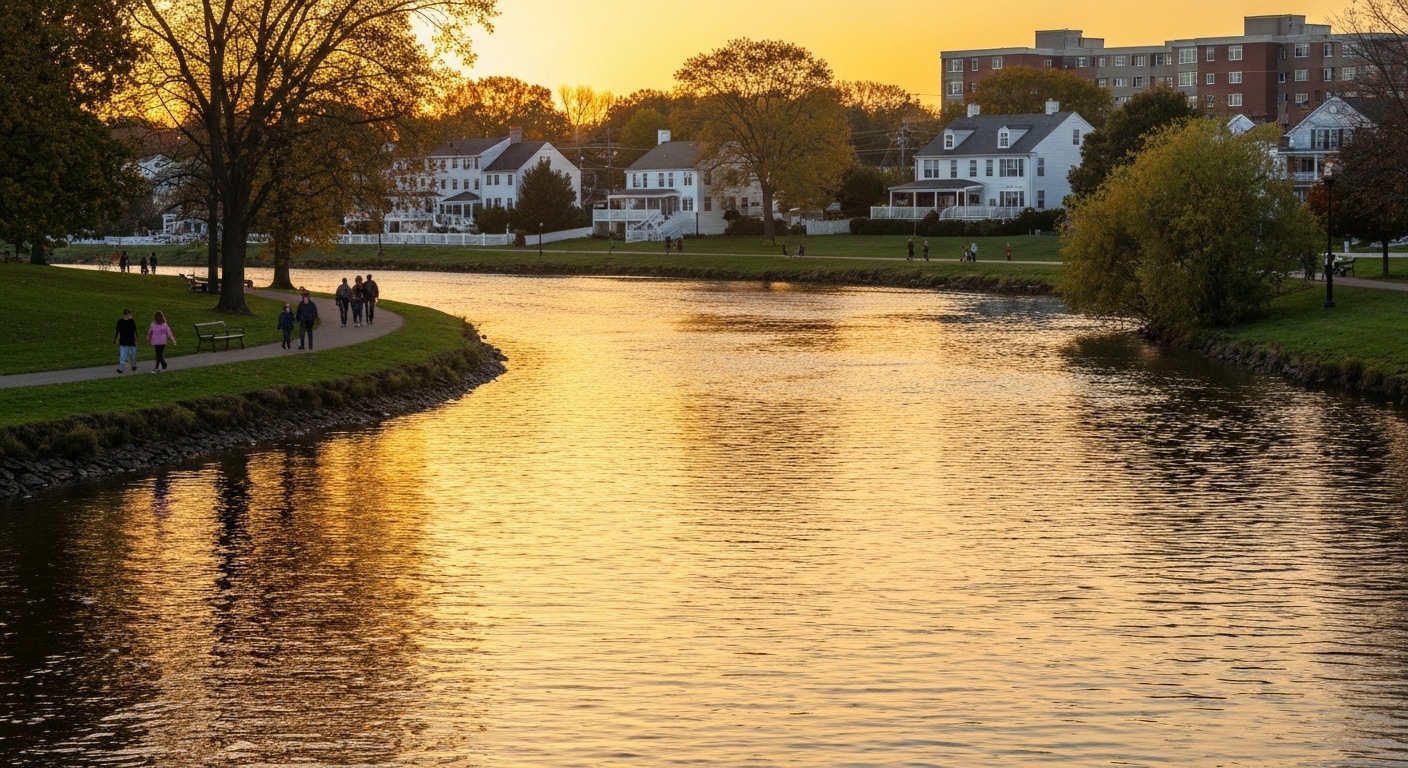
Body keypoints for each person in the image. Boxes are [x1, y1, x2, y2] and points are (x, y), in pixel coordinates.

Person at [114, 309, 138, 373]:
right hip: (127, 341)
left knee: (129, 355)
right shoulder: (129, 321)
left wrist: (116, 339)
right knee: (126, 355)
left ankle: (130, 366)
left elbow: (118, 332)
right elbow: (134, 331)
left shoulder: (126, 321)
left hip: (127, 341)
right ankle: (122, 368)